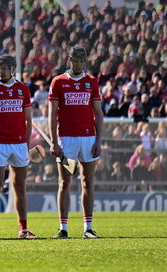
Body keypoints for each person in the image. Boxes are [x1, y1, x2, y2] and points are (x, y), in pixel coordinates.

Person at [49, 45, 103, 239]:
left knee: (88, 181)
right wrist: (54, 142)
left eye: (81, 61)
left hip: (88, 138)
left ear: (85, 62)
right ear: (69, 61)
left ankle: (88, 228)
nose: (78, 64)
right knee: (65, 182)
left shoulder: (92, 82)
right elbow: (52, 113)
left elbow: (98, 113)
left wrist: (99, 140)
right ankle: (63, 228)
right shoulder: (58, 82)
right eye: (75, 60)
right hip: (66, 139)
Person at [0, 54, 36, 240]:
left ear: (12, 69)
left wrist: (27, 145)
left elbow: (28, 120)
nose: (1, 71)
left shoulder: (22, 89)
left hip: (19, 144)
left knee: (19, 186)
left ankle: (23, 229)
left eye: (4, 68)